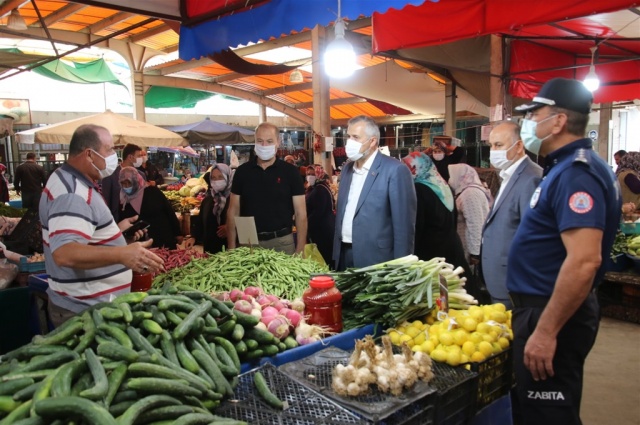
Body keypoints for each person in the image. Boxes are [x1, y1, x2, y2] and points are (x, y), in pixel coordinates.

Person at [507, 78, 620, 425]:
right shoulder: (565, 167)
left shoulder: (576, 173)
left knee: (547, 415)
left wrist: (544, 332)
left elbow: (585, 260)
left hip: (552, 313)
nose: (527, 123)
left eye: (533, 114)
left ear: (557, 121)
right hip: (544, 309)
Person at [39, 124, 164, 327]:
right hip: (84, 311)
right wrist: (121, 255)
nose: (114, 155)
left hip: (89, 306)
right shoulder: (72, 193)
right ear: (89, 154)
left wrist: (120, 240)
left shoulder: (70, 180)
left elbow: (83, 238)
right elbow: (64, 252)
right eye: (110, 149)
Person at [333, 115, 416, 270]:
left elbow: (404, 228)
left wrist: (401, 268)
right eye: (348, 137)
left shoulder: (395, 170)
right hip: (344, 254)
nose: (349, 142)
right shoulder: (347, 169)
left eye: (356, 137)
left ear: (372, 141)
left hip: (376, 259)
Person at [481, 121, 543, 307]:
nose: (493, 151)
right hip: (500, 281)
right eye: (491, 145)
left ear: (519, 146)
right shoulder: (508, 175)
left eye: (499, 145)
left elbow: (533, 239)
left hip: (513, 284)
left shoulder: (531, 178)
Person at [226, 122, 307, 255]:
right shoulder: (242, 172)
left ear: (278, 142)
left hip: (282, 242)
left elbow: (301, 214)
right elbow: (233, 211)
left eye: (269, 141)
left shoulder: (291, 172)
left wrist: (301, 249)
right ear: (255, 141)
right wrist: (231, 247)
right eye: (260, 141)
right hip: (248, 241)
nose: (264, 146)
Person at [401, 152, 467, 269]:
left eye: (407, 168)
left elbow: (417, 227)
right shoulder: (442, 185)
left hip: (431, 255)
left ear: (416, 168)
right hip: (451, 249)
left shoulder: (419, 190)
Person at [118, 166, 182, 249]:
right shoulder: (123, 200)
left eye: (129, 183)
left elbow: (169, 211)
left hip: (163, 238)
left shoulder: (153, 192)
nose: (126, 186)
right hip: (141, 244)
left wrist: (177, 233)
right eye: (123, 183)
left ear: (136, 181)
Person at [448, 163, 492, 263]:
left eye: (451, 176)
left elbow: (475, 223)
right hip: (467, 247)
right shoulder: (467, 191)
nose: (450, 180)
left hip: (469, 250)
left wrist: (475, 254)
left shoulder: (470, 194)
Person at [101, 143, 145, 219]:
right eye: (138, 156)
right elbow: (106, 201)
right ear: (130, 157)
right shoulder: (111, 175)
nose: (141, 159)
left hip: (137, 219)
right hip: (117, 220)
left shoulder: (141, 175)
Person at [306, 163, 336, 266]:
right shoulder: (318, 187)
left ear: (319, 174)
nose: (309, 177)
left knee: (324, 259)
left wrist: (306, 223)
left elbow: (318, 212)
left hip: (323, 231)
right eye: (308, 174)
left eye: (312, 174)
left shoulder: (320, 189)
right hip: (322, 229)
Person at [199, 163, 232, 254]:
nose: (217, 181)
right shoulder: (208, 200)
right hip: (210, 249)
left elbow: (244, 219)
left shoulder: (235, 199)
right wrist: (194, 237)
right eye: (213, 178)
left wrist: (231, 227)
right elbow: (201, 222)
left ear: (228, 177)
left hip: (230, 248)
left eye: (220, 177)